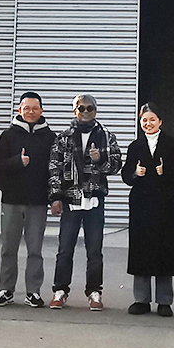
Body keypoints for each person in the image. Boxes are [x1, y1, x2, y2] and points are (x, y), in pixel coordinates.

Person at [48, 94, 122, 311]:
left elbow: (116, 166)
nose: (86, 112)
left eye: (90, 108)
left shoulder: (106, 136)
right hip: (70, 200)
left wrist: (100, 159)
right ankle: (60, 290)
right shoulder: (63, 138)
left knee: (94, 250)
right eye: (81, 108)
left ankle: (94, 292)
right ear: (75, 111)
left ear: (95, 111)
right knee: (65, 249)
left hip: (94, 200)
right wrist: (55, 197)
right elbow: (55, 168)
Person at [121, 102, 174, 317]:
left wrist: (165, 172)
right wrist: (135, 173)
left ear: (160, 121)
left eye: (152, 119)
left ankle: (164, 301)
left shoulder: (173, 144)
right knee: (141, 250)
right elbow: (125, 175)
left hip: (165, 205)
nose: (148, 123)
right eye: (144, 120)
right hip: (141, 205)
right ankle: (141, 299)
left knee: (164, 250)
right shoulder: (135, 146)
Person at [0, 92, 55, 308]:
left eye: (35, 108)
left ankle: (33, 292)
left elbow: (55, 170)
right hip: (11, 201)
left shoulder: (50, 137)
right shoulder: (8, 136)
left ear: (41, 111)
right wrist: (17, 162)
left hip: (38, 202)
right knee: (8, 248)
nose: (30, 112)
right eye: (26, 108)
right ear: (19, 110)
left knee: (35, 250)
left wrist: (54, 197)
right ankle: (6, 290)